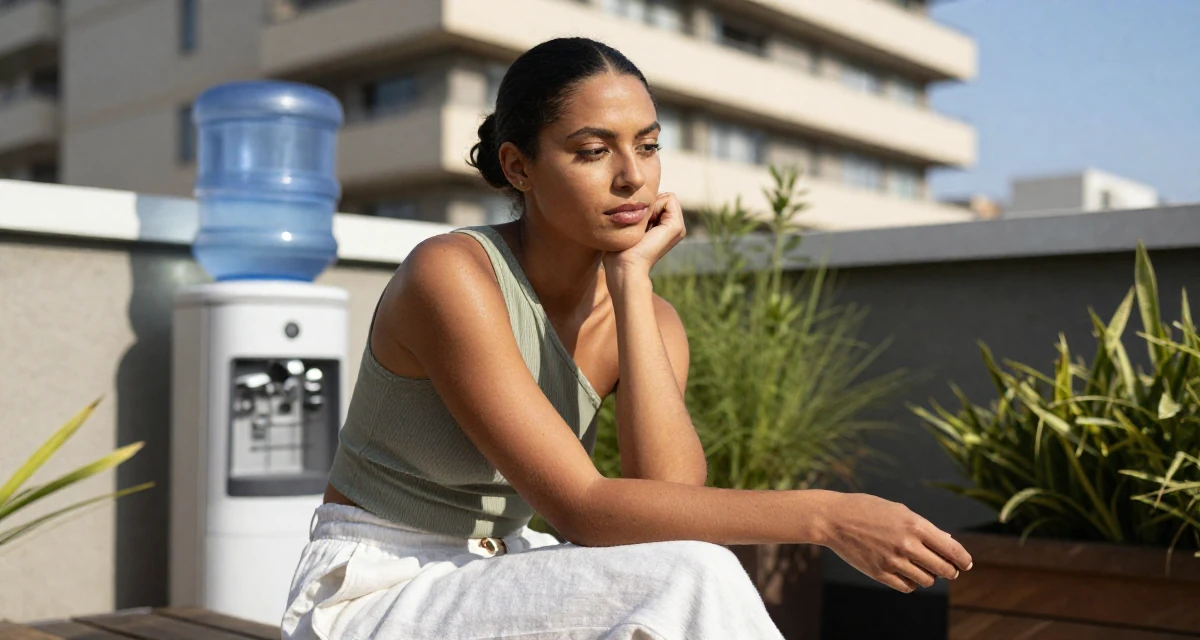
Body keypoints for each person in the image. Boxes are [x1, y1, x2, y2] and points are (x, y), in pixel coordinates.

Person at [281, 37, 972, 640]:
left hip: (501, 573)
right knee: (690, 580)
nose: (632, 176)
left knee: (684, 572)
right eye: (593, 151)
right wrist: (825, 516)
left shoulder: (647, 317)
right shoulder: (453, 276)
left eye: (647, 146)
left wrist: (632, 285)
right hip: (376, 591)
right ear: (519, 168)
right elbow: (580, 506)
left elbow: (670, 506)